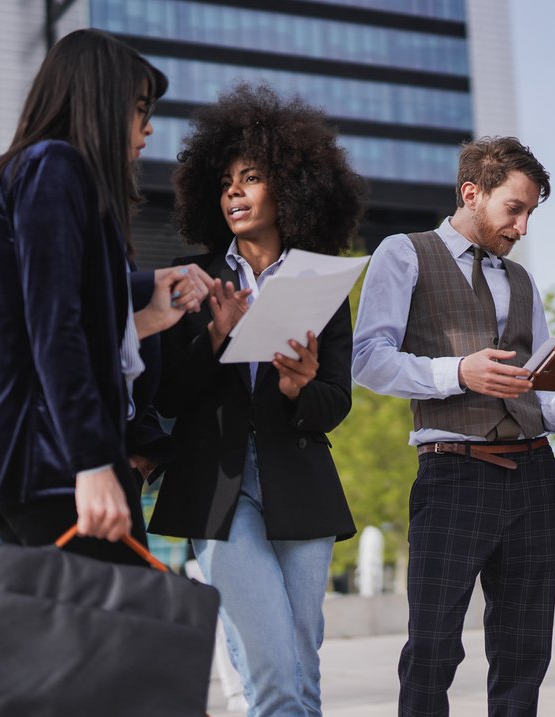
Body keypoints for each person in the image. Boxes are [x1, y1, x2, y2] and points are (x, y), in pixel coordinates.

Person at [352, 136, 555, 716]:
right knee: (434, 648)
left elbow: (539, 388)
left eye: (530, 213)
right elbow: (367, 357)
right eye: (513, 209)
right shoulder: (404, 253)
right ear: (472, 193)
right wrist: (458, 372)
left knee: (525, 654)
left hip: (535, 476)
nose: (522, 227)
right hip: (453, 475)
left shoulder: (519, 282)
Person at [147, 83, 363, 717]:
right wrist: (216, 335)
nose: (235, 192)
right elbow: (166, 394)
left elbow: (336, 403)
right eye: (225, 182)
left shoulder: (322, 282)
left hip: (298, 482)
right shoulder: (193, 280)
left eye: (252, 178)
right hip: (216, 486)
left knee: (302, 668)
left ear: (291, 188)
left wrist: (301, 387)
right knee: (272, 672)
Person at [0, 29, 195, 564]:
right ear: (100, 101)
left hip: (36, 461)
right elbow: (53, 328)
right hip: (55, 462)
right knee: (133, 633)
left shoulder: (34, 171)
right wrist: (90, 465)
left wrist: (148, 315)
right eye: (138, 108)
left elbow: (55, 319)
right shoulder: (56, 167)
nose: (148, 127)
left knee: (74, 639)